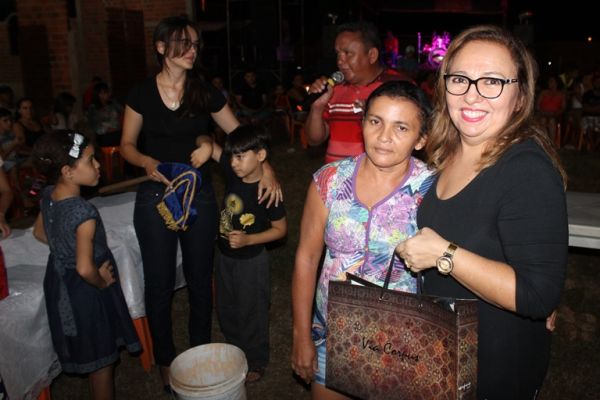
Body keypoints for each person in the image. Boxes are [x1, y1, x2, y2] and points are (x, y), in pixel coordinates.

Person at [395, 25, 568, 399]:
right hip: (444, 356)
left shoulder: (526, 170)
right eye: (460, 79)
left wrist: (444, 255)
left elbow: (538, 295)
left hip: (494, 369)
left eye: (492, 81)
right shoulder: (446, 153)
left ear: (520, 96)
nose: (471, 95)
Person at [120, 15, 281, 392]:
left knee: (199, 280)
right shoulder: (141, 93)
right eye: (184, 43)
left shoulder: (204, 92)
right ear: (161, 47)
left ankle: (196, 354)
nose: (192, 50)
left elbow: (240, 135)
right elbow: (126, 144)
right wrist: (146, 162)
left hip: (200, 196)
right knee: (158, 282)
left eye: (195, 44)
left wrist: (268, 167)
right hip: (157, 195)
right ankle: (165, 359)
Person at [291, 80, 435, 399]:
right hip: (333, 331)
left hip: (404, 342)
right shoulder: (329, 181)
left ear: (421, 139)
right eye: (375, 121)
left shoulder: (432, 190)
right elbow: (307, 258)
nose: (384, 136)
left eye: (401, 127)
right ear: (363, 123)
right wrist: (301, 335)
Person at [31, 130, 140, 400]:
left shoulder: (48, 195)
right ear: (68, 171)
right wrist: (101, 281)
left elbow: (39, 232)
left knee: (91, 351)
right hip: (85, 291)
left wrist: (64, 251)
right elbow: (84, 268)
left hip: (59, 283)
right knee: (101, 363)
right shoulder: (83, 213)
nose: (98, 164)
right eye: (91, 160)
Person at [203, 125, 287, 383]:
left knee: (253, 310)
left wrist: (250, 239)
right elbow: (205, 139)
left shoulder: (269, 192)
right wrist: (205, 145)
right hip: (224, 256)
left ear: (260, 155)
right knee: (226, 306)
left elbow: (280, 230)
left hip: (252, 261)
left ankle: (256, 359)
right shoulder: (233, 173)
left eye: (240, 157)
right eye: (232, 157)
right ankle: (235, 350)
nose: (233, 163)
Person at [305, 21, 410, 164]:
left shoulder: (399, 87)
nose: (340, 61)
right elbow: (314, 140)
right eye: (338, 54)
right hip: (335, 176)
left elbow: (413, 137)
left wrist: (375, 117)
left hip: (380, 177)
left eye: (348, 53)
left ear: (372, 55)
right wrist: (317, 108)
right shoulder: (334, 89)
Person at [86, 82, 124, 147]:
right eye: (105, 92)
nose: (108, 94)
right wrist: (109, 129)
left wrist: (120, 125)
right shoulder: (93, 108)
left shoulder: (113, 103)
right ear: (99, 94)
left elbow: (123, 112)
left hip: (117, 133)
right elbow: (94, 125)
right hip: (104, 137)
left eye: (108, 92)